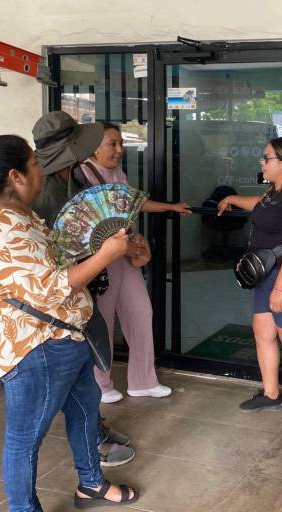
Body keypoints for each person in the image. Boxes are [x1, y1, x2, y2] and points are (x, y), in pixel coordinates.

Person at [0, 134, 139, 511]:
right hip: (34, 349)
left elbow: (49, 267)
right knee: (24, 439)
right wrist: (106, 254)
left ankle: (91, 485)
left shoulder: (19, 215)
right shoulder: (6, 227)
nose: (42, 170)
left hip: (63, 340)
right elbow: (52, 287)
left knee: (86, 411)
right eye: (35, 164)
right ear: (15, 175)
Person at [30, 110, 136, 466]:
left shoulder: (74, 177)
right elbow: (55, 257)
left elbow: (96, 219)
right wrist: (103, 253)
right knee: (69, 385)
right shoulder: (45, 192)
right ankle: (91, 443)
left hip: (82, 294)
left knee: (84, 378)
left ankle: (94, 434)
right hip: (61, 301)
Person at [78, 121, 191, 403]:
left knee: (141, 313)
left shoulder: (116, 172)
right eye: (111, 144)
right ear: (93, 146)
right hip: (100, 261)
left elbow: (133, 204)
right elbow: (91, 224)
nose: (119, 150)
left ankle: (143, 380)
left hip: (125, 255)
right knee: (102, 322)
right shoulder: (83, 174)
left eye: (120, 144)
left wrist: (170, 207)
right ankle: (101, 386)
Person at [217, 137, 282, 430]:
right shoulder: (274, 192)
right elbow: (259, 206)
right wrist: (232, 199)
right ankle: (271, 393)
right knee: (263, 332)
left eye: (267, 158)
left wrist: (280, 288)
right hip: (267, 277)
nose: (262, 163)